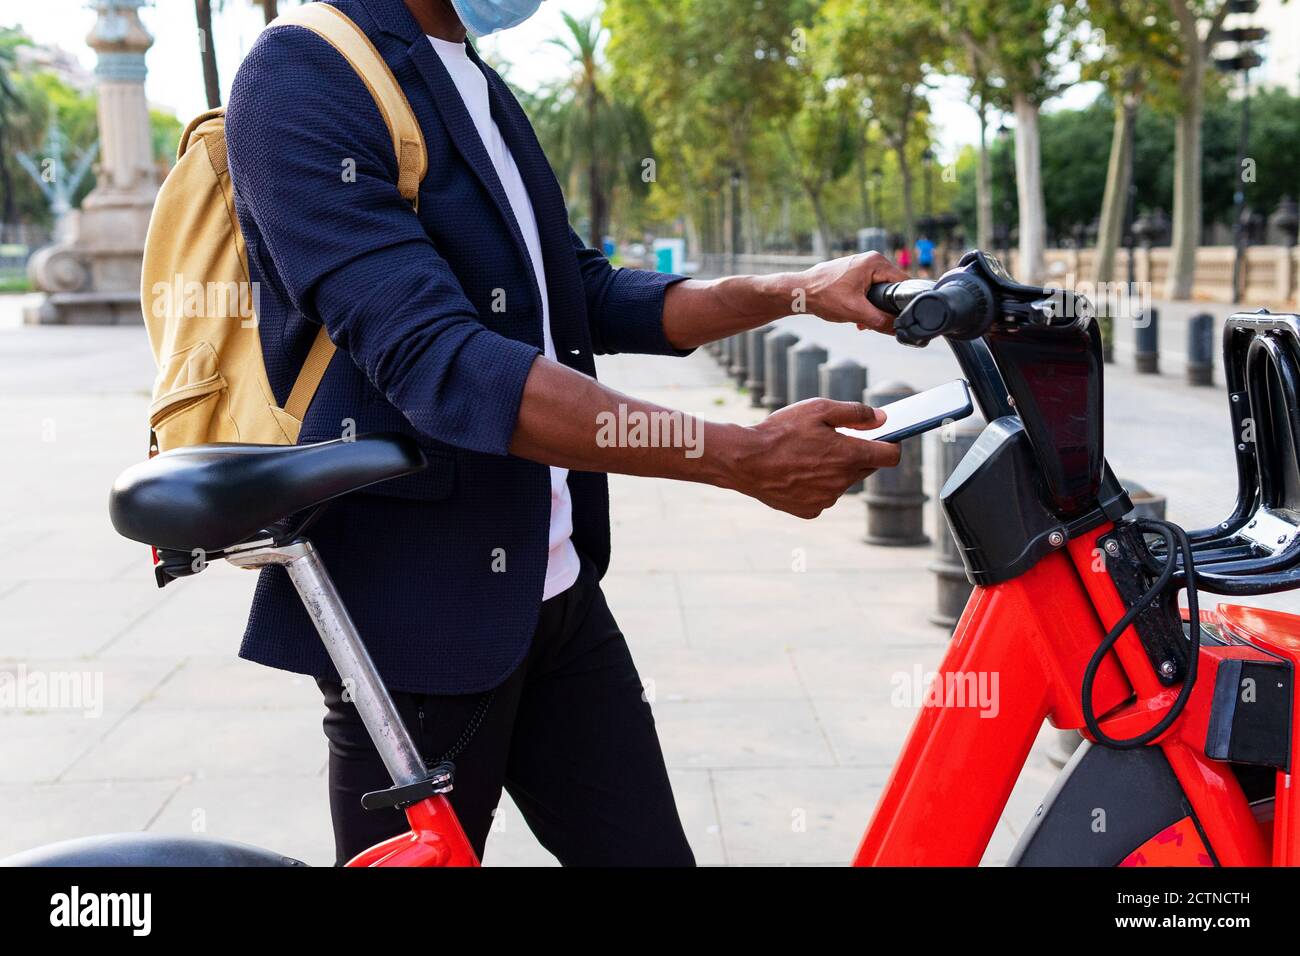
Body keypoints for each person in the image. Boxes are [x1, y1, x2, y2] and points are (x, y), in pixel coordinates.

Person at [225, 0, 906, 867]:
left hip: (557, 591)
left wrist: (794, 291)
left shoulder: (468, 75)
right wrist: (737, 456)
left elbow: (574, 288)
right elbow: (439, 358)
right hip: (420, 618)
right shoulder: (300, 72)